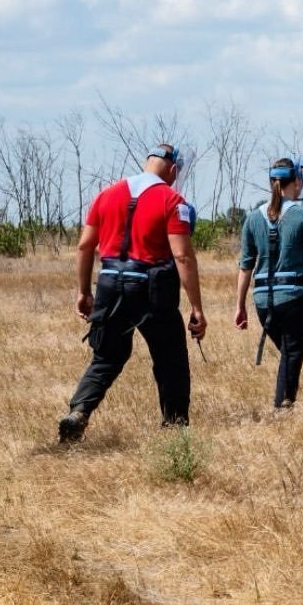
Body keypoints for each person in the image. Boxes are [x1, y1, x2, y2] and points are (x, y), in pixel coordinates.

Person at [58, 144, 207, 443]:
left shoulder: (107, 193)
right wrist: (196, 307)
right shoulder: (171, 199)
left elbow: (85, 246)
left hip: (110, 283)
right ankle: (175, 427)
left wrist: (84, 291)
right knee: (170, 359)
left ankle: (79, 411)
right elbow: (183, 256)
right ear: (174, 169)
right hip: (152, 288)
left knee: (107, 357)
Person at [235, 157, 303, 410]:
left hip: (263, 301)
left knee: (288, 352)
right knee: (292, 353)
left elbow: (245, 267)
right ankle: (283, 407)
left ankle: (285, 402)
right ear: (297, 181)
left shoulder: (252, 219)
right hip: (296, 299)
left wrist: (239, 305)